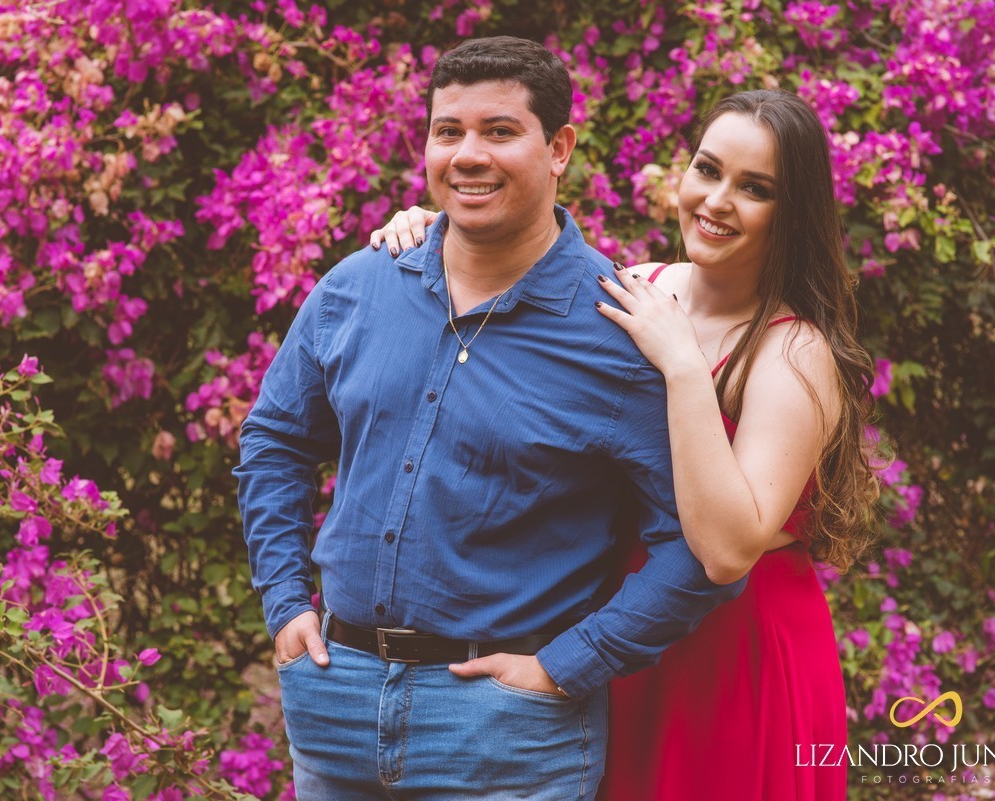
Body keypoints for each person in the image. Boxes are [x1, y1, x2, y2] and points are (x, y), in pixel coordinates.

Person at [235, 36, 743, 801]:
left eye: (499, 131)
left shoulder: (620, 333)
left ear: (560, 148)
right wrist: (283, 602)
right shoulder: (357, 287)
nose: (468, 155)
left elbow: (700, 547)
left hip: (510, 733)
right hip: (336, 702)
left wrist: (568, 664)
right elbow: (275, 440)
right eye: (449, 131)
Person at [371, 89, 881, 800]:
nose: (717, 200)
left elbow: (727, 551)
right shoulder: (636, 286)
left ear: (791, 214)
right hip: (626, 629)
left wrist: (683, 367)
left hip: (736, 656)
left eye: (756, 188)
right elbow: (507, 303)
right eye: (708, 169)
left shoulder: (794, 354)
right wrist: (440, 229)